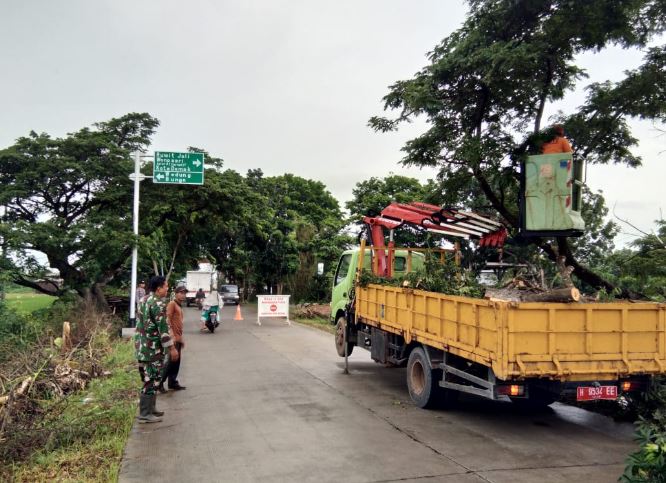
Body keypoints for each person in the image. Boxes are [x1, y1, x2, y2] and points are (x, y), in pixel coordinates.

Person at [133, 276, 178, 424]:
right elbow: (163, 330)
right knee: (150, 380)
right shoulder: (158, 304)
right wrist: (172, 348)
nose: (167, 289)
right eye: (166, 287)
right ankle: (145, 413)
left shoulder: (144, 300)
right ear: (159, 288)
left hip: (142, 347)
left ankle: (151, 409)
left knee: (150, 378)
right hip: (152, 350)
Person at [160, 286, 187, 391]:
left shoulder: (179, 305)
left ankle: (172, 382)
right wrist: (172, 337)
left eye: (184, 293)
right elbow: (168, 321)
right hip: (173, 339)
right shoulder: (172, 304)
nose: (183, 294)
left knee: (176, 363)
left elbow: (179, 324)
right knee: (170, 363)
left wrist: (181, 339)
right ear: (176, 293)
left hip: (178, 338)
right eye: (181, 292)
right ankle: (160, 383)